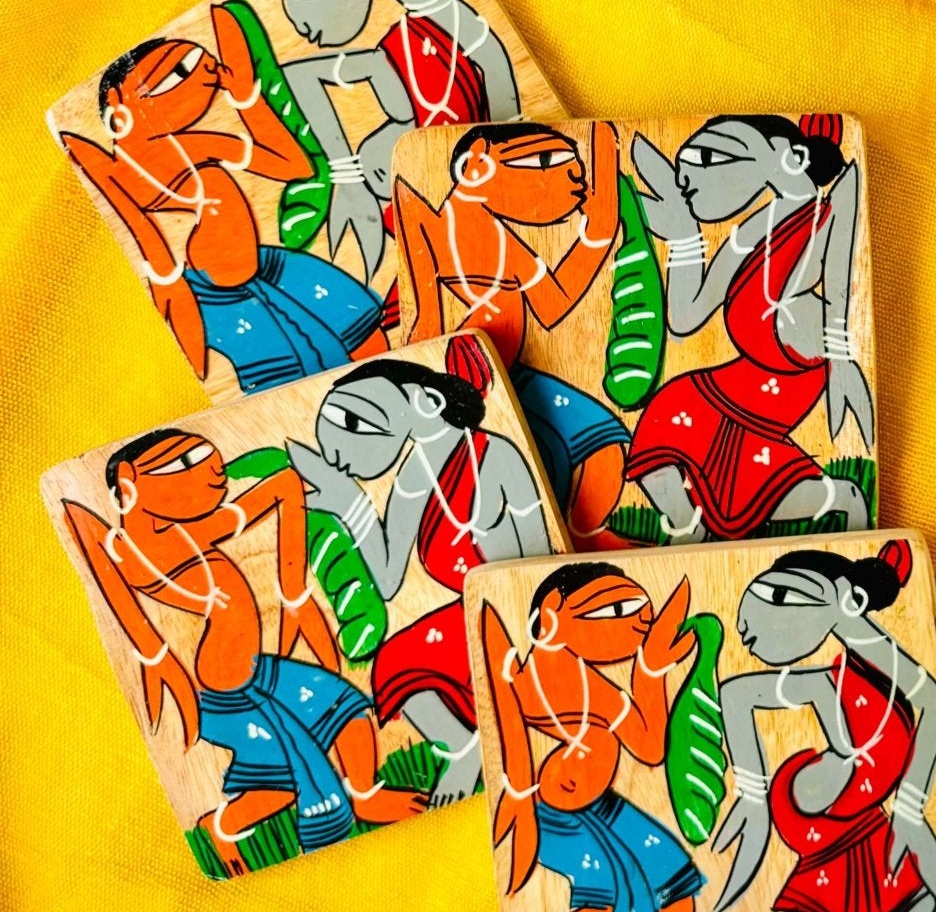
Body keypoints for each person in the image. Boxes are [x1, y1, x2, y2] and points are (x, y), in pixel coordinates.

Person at [59, 428, 427, 873]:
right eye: (180, 464)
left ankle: (360, 795)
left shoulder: (186, 534)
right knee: (291, 769)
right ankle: (227, 825)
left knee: (339, 717)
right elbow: (88, 536)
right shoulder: (135, 549)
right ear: (131, 480)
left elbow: (285, 486)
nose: (213, 468)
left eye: (206, 456)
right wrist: (157, 659)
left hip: (253, 670)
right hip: (227, 688)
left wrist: (293, 591)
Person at [286, 335, 552, 803]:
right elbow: (387, 580)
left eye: (351, 420)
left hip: (529, 605)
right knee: (396, 662)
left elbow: (546, 548)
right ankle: (464, 746)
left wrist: (528, 613)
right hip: (468, 611)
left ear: (426, 401)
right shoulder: (413, 476)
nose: (339, 454)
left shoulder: (498, 454)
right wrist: (352, 506)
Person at [60, 10, 386, 391]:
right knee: (286, 372)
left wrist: (246, 96)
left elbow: (292, 166)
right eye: (176, 72)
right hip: (214, 291)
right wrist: (174, 299)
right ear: (119, 104)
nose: (205, 74)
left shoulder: (201, 144)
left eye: (204, 64)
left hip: (265, 263)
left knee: (359, 330)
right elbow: (145, 239)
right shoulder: (122, 170)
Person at [712, 541, 936, 912]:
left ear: (850, 599)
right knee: (912, 878)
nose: (750, 629)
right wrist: (752, 794)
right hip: (822, 796)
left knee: (888, 887)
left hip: (860, 801)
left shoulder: (867, 664)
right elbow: (736, 693)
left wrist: (911, 802)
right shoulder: (832, 678)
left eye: (785, 595)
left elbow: (935, 706)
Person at [625, 115, 874, 543]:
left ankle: (844, 502)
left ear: (791, 157)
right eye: (684, 170)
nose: (688, 178)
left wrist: (840, 358)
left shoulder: (827, 210)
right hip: (747, 374)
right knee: (672, 420)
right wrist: (685, 237)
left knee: (699, 427)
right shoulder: (749, 232)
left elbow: (838, 288)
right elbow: (685, 317)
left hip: (789, 374)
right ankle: (691, 534)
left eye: (708, 156)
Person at [479, 563, 719, 912]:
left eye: (639, 610)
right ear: (551, 615)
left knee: (671, 867)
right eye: (615, 608)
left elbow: (649, 747)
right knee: (608, 899)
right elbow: (512, 733)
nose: (639, 622)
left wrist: (649, 672)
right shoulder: (535, 676)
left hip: (601, 804)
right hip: (552, 815)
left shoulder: (593, 684)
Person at [394, 122, 631, 547]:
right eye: (544, 160)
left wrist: (598, 232)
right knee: (552, 452)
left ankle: (587, 532)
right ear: (479, 164)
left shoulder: (506, 242)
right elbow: (424, 326)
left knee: (599, 444)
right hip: (470, 381)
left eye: (571, 163)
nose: (573, 176)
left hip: (515, 373)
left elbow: (553, 304)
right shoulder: (430, 222)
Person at [277, 0, 525, 279]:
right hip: (420, 216)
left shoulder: (453, 36)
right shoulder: (399, 45)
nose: (304, 25)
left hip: (460, 210)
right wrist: (348, 175)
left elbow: (508, 106)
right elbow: (300, 74)